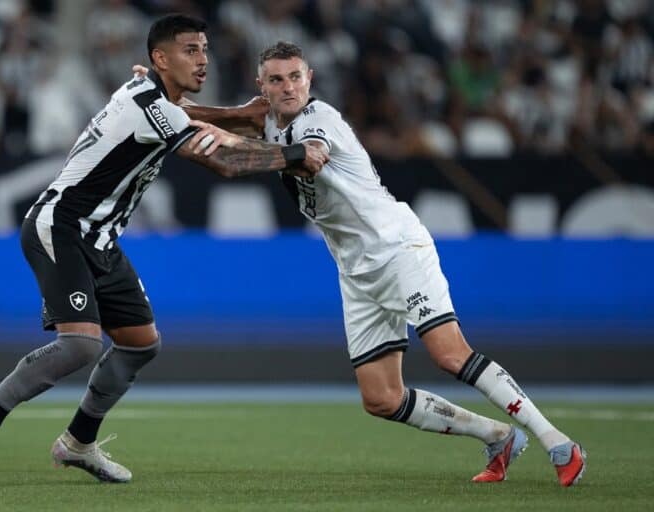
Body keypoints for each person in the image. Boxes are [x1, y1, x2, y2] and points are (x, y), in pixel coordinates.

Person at [188, 41, 586, 487]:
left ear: (310, 78)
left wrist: (231, 141)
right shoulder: (265, 115)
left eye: (295, 77)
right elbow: (218, 114)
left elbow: (309, 157)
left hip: (397, 249)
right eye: (276, 79)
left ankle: (559, 441)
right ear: (262, 86)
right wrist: (161, 103)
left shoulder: (320, 120)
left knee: (450, 354)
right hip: (355, 270)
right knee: (381, 398)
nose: (288, 87)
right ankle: (498, 437)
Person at [0, 16, 327, 488]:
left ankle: (78, 442)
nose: (203, 59)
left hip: (100, 239)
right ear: (160, 58)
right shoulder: (150, 104)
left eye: (205, 49)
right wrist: (296, 154)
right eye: (190, 50)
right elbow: (225, 161)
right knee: (81, 345)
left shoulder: (146, 93)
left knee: (139, 343)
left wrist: (240, 114)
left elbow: (184, 114)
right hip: (61, 227)